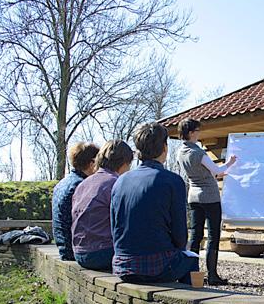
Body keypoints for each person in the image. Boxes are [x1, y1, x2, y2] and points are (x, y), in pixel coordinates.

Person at [110, 122, 199, 284]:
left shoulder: (120, 181)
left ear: (138, 151)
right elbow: (180, 237)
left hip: (122, 265)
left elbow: (115, 228)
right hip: (158, 266)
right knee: (191, 260)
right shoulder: (173, 181)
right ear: (165, 148)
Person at [177, 118, 236, 285]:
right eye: (197, 131)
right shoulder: (199, 153)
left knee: (195, 236)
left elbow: (199, 172)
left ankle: (190, 274)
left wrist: (213, 174)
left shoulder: (180, 152)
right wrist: (230, 163)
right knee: (213, 235)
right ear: (190, 133)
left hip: (193, 196)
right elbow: (217, 170)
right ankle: (212, 276)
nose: (199, 133)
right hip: (210, 196)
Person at [71, 140, 134, 271]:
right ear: (124, 163)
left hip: (79, 252)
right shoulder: (116, 183)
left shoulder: (83, 184)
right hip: (101, 253)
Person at [52, 142, 99, 260]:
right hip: (74, 251)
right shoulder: (81, 185)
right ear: (92, 163)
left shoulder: (63, 183)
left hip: (64, 247)